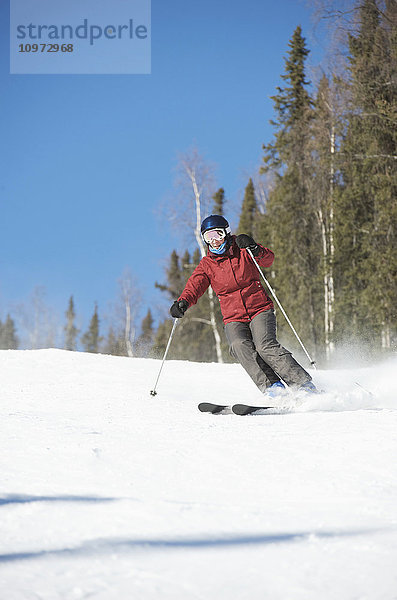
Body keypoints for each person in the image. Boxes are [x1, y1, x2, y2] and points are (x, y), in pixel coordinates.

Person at [170, 215, 317, 397]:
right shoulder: (207, 265)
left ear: (226, 233)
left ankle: (303, 385)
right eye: (209, 237)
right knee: (239, 346)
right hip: (233, 317)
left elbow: (268, 260)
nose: (214, 241)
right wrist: (183, 302)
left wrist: (254, 248)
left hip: (259, 309)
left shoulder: (242, 250)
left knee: (265, 346)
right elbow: (195, 285)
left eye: (217, 235)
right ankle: (273, 388)